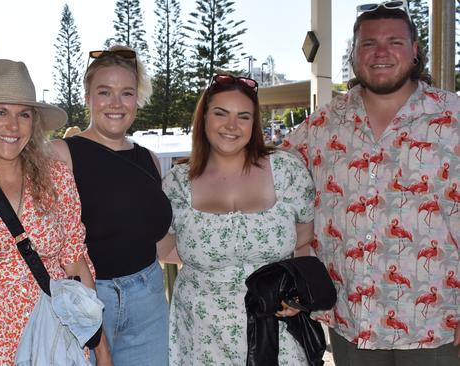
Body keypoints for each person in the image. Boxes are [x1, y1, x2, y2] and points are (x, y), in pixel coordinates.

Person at [283, 3, 460, 365]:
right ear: (353, 54)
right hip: (352, 320)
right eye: (368, 44)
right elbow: (272, 183)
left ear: (414, 51)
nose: (381, 52)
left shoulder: (453, 118)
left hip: (436, 323)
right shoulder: (321, 126)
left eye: (394, 41)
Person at [0, 59, 110, 365]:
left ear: (34, 123)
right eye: (0, 112)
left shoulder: (57, 177)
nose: (13, 126)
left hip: (55, 341)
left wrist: (103, 353)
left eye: (24, 114)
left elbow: (77, 262)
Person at [158, 73, 315, 365]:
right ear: (203, 118)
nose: (231, 125)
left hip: (274, 330)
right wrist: (210, 257)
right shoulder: (178, 181)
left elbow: (304, 239)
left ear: (253, 124)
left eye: (243, 116)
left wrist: (297, 291)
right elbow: (162, 248)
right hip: (201, 333)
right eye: (221, 113)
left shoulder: (287, 171)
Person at [51, 45, 172, 365]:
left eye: (127, 93)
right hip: (87, 301)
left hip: (149, 297)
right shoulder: (61, 154)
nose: (116, 103)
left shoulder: (150, 160)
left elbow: (158, 239)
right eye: (105, 92)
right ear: (88, 96)